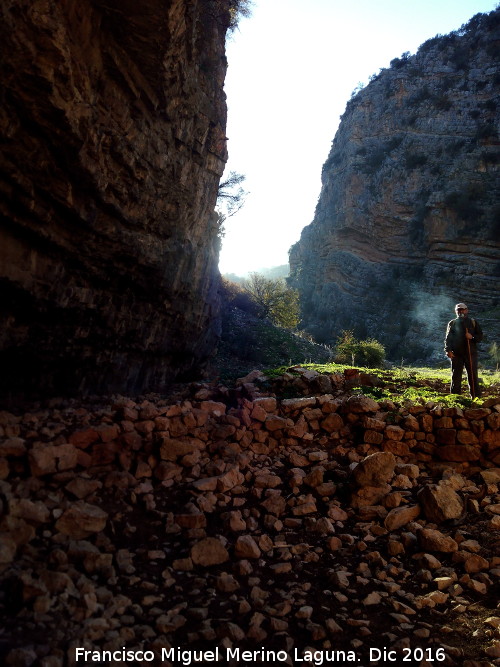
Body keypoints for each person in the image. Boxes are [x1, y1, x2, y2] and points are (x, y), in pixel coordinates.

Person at [444, 303, 483, 398]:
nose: (461, 311)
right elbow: (448, 339)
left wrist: (472, 337)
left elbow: (480, 337)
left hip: (471, 354)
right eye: (459, 310)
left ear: (467, 310)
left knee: (473, 376)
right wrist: (448, 350)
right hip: (457, 354)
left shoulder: (473, 322)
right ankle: (455, 398)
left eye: (462, 309)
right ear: (456, 311)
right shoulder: (452, 323)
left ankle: (476, 398)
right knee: (456, 377)